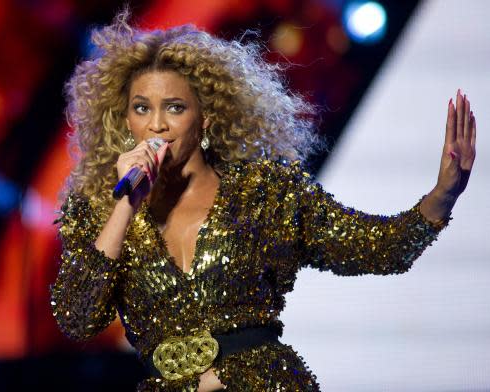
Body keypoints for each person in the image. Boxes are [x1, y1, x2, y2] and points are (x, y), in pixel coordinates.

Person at [49, 10, 476, 392]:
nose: (156, 125)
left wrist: (442, 196)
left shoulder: (264, 192)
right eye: (141, 109)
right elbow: (77, 317)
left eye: (174, 108)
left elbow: (378, 248)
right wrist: (125, 204)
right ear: (125, 119)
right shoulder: (102, 209)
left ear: (206, 119)